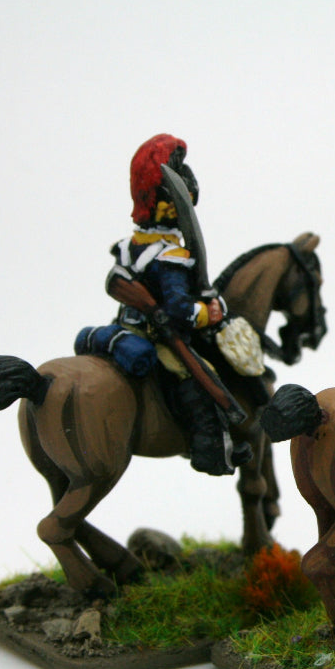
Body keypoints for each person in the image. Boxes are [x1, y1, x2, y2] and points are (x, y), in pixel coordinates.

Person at [75, 133, 252, 476]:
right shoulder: (171, 255)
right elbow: (179, 311)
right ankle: (212, 451)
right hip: (159, 335)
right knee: (200, 376)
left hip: (125, 325)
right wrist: (209, 313)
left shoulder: (129, 245)